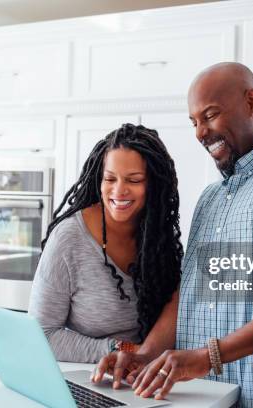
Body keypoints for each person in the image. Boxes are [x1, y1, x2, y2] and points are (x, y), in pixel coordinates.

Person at [92, 63, 253, 408]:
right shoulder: (211, 198)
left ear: (251, 102)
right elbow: (188, 292)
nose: (201, 132)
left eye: (210, 115)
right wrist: (145, 353)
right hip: (205, 399)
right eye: (194, 122)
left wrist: (207, 356)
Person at [28, 123, 183, 363]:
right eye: (110, 178)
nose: (119, 191)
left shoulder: (157, 235)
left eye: (134, 180)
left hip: (147, 377)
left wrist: (143, 357)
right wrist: (121, 350)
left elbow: (174, 306)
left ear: (154, 184)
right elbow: (40, 335)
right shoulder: (68, 238)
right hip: (89, 379)